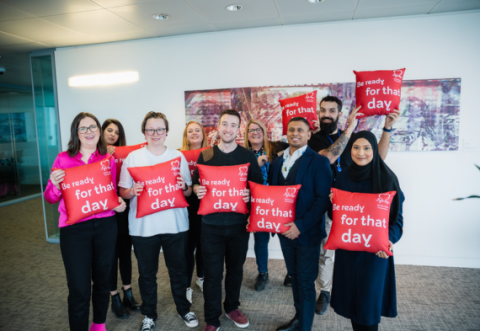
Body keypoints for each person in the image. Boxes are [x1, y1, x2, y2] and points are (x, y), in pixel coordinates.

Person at [308, 96, 400, 315]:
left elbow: (376, 157)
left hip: (358, 207)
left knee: (356, 261)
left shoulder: (355, 141)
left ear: (339, 113)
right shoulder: (315, 139)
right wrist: (350, 128)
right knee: (327, 252)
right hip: (327, 204)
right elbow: (328, 157)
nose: (326, 114)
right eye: (323, 110)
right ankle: (325, 291)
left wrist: (387, 129)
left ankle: (350, 297)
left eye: (331, 110)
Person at [44, 112, 127, 331]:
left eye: (93, 127)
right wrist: (53, 183)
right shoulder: (62, 159)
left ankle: (98, 324)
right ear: (76, 132)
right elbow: (51, 198)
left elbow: (109, 193)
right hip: (74, 230)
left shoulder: (107, 159)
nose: (89, 132)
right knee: (79, 287)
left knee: (102, 281)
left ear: (99, 131)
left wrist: (118, 202)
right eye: (83, 128)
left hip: (106, 227)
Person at [118, 112, 198, 331]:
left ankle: (184, 309)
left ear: (166, 132)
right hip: (143, 228)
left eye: (160, 129)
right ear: (145, 132)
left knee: (178, 270)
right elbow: (123, 191)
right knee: (147, 275)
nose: (155, 133)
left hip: (175, 225)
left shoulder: (177, 157)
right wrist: (132, 191)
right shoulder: (133, 158)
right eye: (151, 129)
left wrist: (184, 187)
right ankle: (149, 315)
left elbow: (189, 191)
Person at [192, 109, 264, 331]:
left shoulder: (247, 156)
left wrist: (250, 194)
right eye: (224, 124)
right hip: (210, 227)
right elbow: (196, 183)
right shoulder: (206, 155)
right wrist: (197, 189)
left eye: (233, 125)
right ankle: (212, 319)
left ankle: (232, 307)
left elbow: (258, 189)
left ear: (238, 129)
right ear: (218, 126)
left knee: (235, 270)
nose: (228, 129)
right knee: (212, 275)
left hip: (237, 226)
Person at [330, 131, 404, 331]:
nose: (360, 153)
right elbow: (335, 217)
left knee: (368, 309)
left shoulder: (388, 178)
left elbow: (397, 222)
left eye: (366, 148)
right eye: (355, 147)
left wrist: (389, 240)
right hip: (347, 252)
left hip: (374, 255)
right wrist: (333, 204)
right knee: (352, 305)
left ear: (374, 150)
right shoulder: (343, 176)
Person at [268, 117, 332, 331]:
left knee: (305, 282)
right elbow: (273, 196)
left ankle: (305, 327)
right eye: (291, 129)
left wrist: (300, 226)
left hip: (306, 233)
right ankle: (299, 319)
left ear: (308, 134)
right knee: (294, 277)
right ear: (286, 132)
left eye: (300, 130)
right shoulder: (276, 162)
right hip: (285, 233)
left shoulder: (319, 161)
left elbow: (322, 199)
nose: (295, 133)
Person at [101, 119, 141, 318]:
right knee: (110, 255)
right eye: (109, 130)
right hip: (105, 211)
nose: (112, 135)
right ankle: (113, 297)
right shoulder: (94, 156)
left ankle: (128, 293)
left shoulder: (126, 156)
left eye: (116, 132)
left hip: (124, 208)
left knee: (125, 251)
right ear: (102, 132)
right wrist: (101, 158)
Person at [243, 119, 288, 291]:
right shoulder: (243, 154)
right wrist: (256, 164)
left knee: (286, 237)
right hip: (256, 203)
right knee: (261, 240)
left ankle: (291, 273)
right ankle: (263, 273)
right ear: (247, 135)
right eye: (251, 130)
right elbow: (238, 177)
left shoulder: (276, 147)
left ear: (264, 131)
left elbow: (297, 149)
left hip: (277, 201)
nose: (255, 133)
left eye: (258, 129)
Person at [180, 121, 209, 303]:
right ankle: (186, 286)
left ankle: (201, 278)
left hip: (205, 204)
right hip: (184, 204)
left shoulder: (211, 154)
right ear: (186, 135)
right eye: (190, 131)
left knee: (204, 244)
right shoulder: (177, 154)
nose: (194, 133)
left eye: (197, 130)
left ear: (203, 134)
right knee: (188, 247)